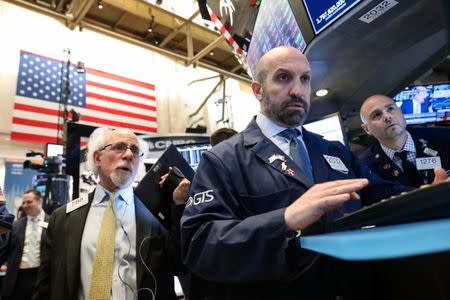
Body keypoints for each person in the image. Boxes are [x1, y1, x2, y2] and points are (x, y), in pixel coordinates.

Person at [180, 46, 413, 300]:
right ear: (258, 90)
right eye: (283, 78)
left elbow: (383, 195)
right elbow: (200, 244)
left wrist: (431, 194)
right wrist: (285, 219)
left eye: (305, 79)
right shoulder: (223, 160)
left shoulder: (331, 149)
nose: (298, 90)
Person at [34, 127, 190, 300]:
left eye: (135, 151)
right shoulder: (63, 218)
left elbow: (180, 266)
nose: (129, 155)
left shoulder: (156, 213)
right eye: (119, 147)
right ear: (97, 158)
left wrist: (180, 205)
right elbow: (45, 286)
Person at [360, 94, 450, 187]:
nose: (387, 116)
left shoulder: (444, 137)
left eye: (390, 109)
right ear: (367, 129)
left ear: (400, 111)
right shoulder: (365, 167)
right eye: (377, 115)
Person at [0, 189, 48, 300]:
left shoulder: (52, 222)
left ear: (39, 201)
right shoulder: (16, 225)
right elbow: (6, 249)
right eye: (24, 202)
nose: (25, 205)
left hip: (41, 277)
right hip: (17, 277)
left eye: (29, 202)